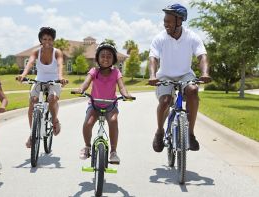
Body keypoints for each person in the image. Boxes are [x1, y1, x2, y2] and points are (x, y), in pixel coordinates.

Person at [148, 4, 211, 152]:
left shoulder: (192, 37)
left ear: (179, 21)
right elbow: (153, 58)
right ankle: (159, 131)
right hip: (165, 75)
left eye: (169, 21)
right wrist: (152, 75)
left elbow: (202, 56)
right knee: (165, 101)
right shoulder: (160, 38)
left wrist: (205, 73)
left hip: (185, 74)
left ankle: (190, 134)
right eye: (164, 20)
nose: (165, 24)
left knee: (193, 90)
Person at [73, 42, 133, 164]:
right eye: (103, 56)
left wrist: (126, 94)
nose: (105, 58)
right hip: (95, 105)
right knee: (87, 123)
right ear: (98, 58)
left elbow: (121, 87)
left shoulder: (116, 72)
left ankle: (113, 152)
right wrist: (81, 89)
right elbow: (86, 83)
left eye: (109, 56)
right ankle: (87, 146)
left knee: (113, 121)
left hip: (111, 105)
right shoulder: (94, 71)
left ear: (114, 59)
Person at [18, 27, 68, 148]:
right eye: (44, 38)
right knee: (32, 102)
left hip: (54, 81)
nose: (47, 41)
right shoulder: (36, 52)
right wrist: (23, 75)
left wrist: (61, 77)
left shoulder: (57, 52)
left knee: (52, 99)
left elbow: (60, 65)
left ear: (53, 40)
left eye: (50, 39)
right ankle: (32, 134)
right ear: (40, 39)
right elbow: (30, 63)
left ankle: (54, 120)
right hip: (39, 80)